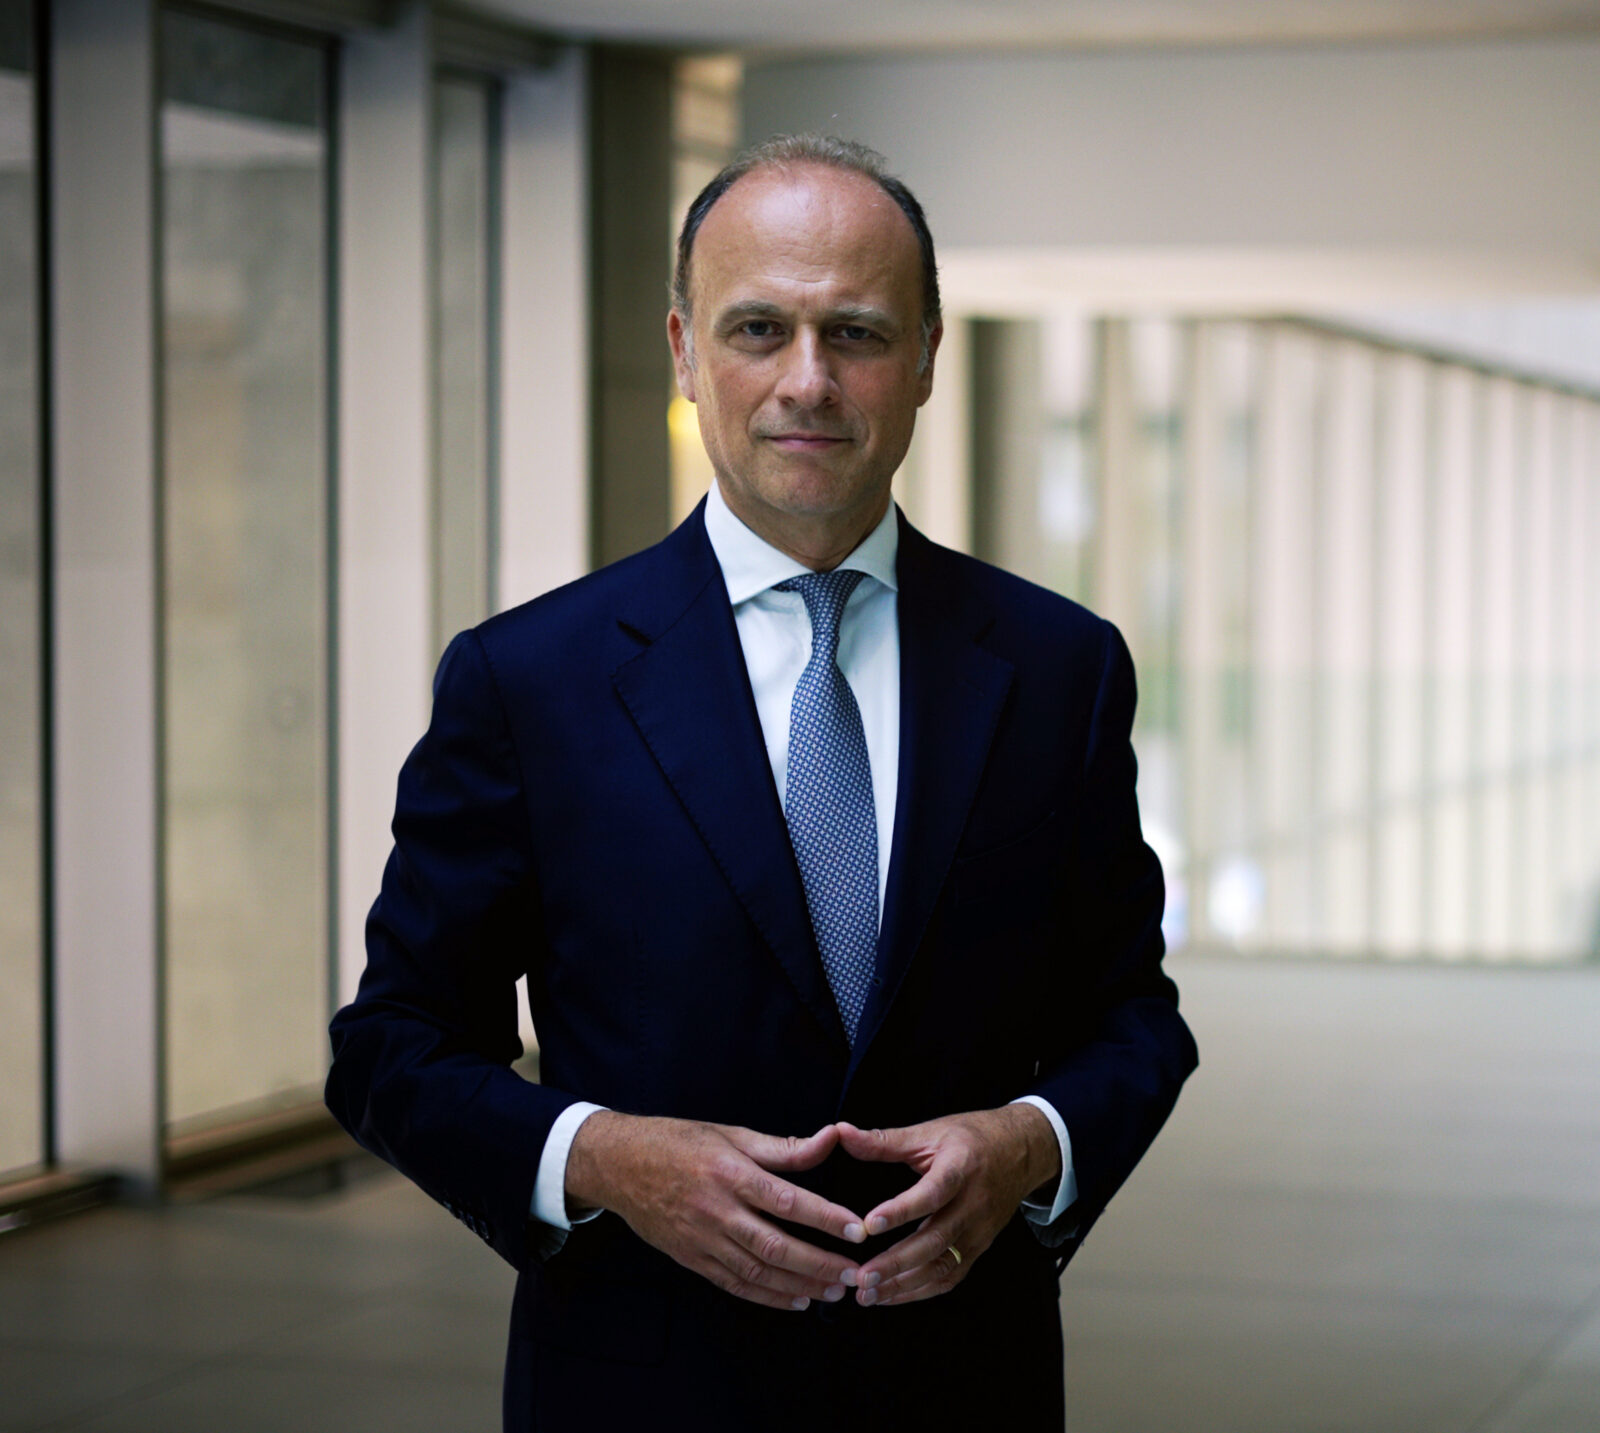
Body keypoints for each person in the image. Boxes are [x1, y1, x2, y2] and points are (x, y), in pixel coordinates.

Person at [326, 134, 1197, 1432]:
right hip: (638, 1389)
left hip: (967, 1384)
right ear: (684, 348)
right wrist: (606, 1157)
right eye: (757, 328)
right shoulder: (529, 680)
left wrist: (1028, 1143)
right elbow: (392, 1045)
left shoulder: (1060, 669)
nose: (808, 380)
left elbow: (1131, 1019)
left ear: (925, 359)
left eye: (855, 331)